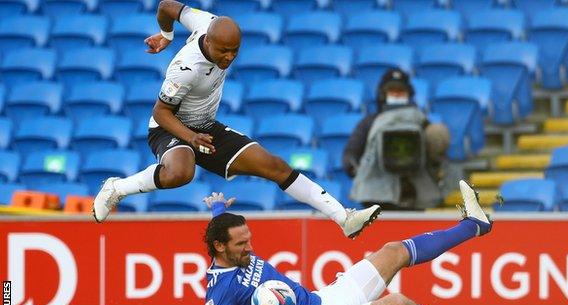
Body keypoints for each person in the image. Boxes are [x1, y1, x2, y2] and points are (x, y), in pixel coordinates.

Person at [91, 0, 380, 238]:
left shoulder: (207, 21)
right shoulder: (185, 69)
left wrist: (166, 35)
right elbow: (160, 113)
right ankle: (116, 188)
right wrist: (190, 138)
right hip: (171, 128)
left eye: (234, 51)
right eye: (223, 51)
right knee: (181, 171)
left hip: (205, 127)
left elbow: (166, 6)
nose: (228, 58)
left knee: (275, 166)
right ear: (208, 41)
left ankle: (344, 218)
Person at [201, 180, 518, 305]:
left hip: (325, 299)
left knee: (393, 250)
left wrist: (217, 209)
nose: (250, 247)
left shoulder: (227, 243)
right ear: (220, 247)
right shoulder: (221, 288)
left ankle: (475, 224)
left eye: (249, 239)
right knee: (398, 304)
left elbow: (223, 230)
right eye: (242, 244)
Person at [343, 68, 450, 211]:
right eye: (392, 91)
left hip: (416, 193)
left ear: (409, 94)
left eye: (401, 92)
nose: (397, 95)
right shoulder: (369, 122)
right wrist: (357, 170)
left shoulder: (422, 122)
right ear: (383, 94)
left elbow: (437, 153)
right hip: (376, 198)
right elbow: (351, 152)